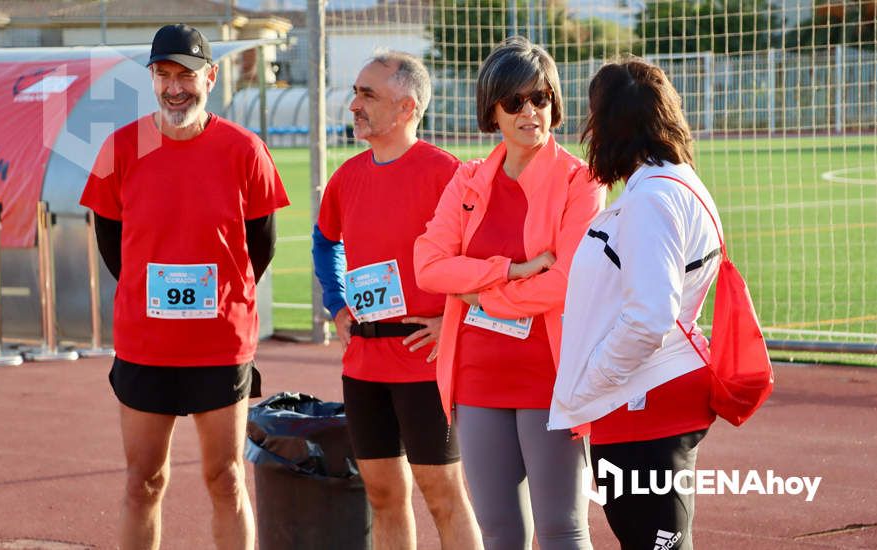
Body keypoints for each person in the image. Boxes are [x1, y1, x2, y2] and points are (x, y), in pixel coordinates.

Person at [79, 24, 289, 550]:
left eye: (187, 76)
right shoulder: (121, 147)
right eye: (164, 75)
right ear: (152, 78)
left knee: (226, 479)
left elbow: (260, 243)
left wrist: (222, 299)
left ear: (210, 77)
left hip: (220, 345)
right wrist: (147, 297)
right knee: (142, 481)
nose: (176, 88)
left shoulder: (244, 149)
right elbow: (111, 241)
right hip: (145, 344)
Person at [414, 36, 605, 549]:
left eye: (540, 98)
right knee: (498, 532)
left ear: (555, 104)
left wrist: (484, 294)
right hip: (477, 376)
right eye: (514, 101)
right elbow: (428, 266)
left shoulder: (580, 182)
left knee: (562, 529)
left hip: (549, 376)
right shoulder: (469, 179)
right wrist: (513, 269)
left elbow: (566, 283)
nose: (530, 112)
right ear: (492, 110)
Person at [549, 57, 724, 550]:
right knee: (654, 537)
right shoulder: (671, 182)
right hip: (648, 393)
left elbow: (649, 316)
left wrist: (595, 380)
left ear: (609, 125)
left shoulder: (653, 198)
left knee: (653, 540)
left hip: (643, 397)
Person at [311, 51, 482, 550]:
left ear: (406, 108)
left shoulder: (446, 174)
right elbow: (326, 241)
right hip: (363, 362)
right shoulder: (346, 177)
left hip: (423, 361)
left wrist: (454, 318)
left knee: (442, 494)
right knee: (383, 495)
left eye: (368, 95)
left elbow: (482, 255)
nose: (354, 105)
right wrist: (337, 304)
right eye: (356, 93)